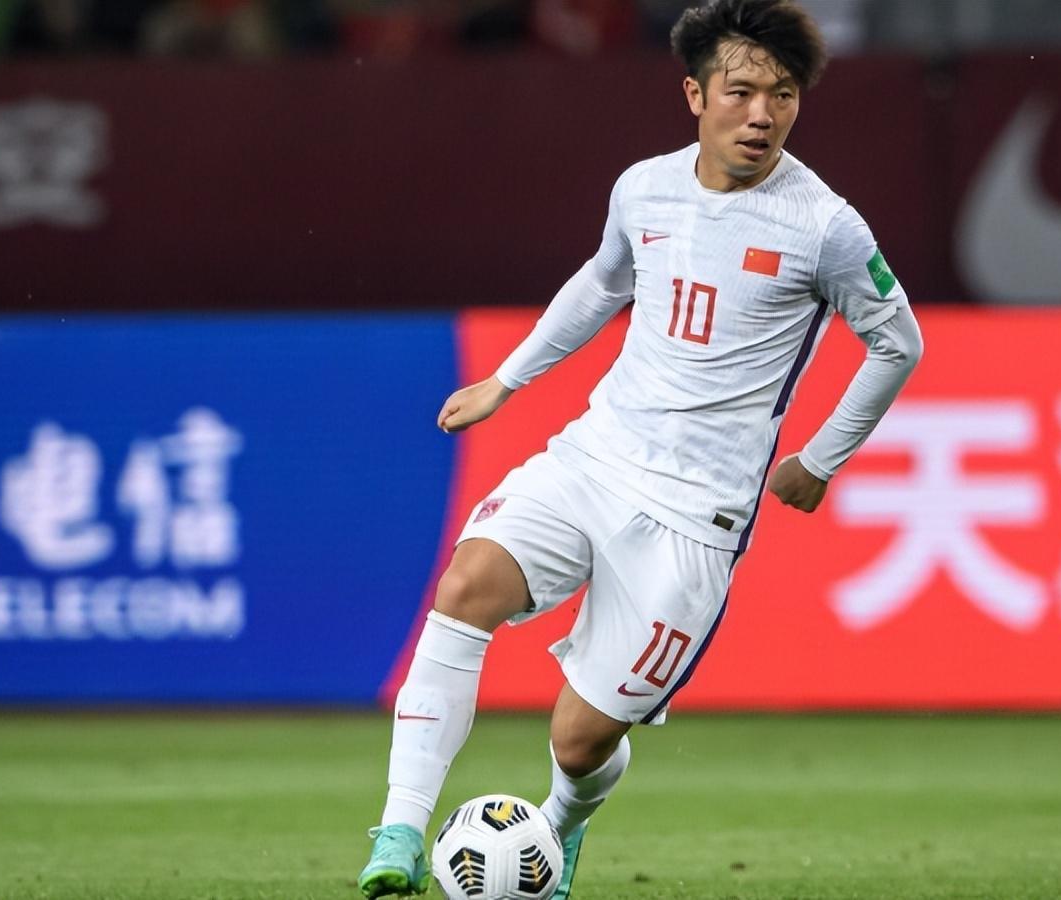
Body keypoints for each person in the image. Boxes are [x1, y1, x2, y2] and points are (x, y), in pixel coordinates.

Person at [356, 0, 923, 896]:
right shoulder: (644, 188)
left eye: (782, 95)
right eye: (740, 91)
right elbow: (603, 281)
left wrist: (821, 459)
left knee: (580, 740)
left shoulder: (825, 227)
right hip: (595, 458)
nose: (762, 115)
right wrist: (508, 380)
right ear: (695, 94)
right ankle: (398, 831)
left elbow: (898, 343)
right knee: (465, 586)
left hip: (697, 516)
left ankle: (561, 825)